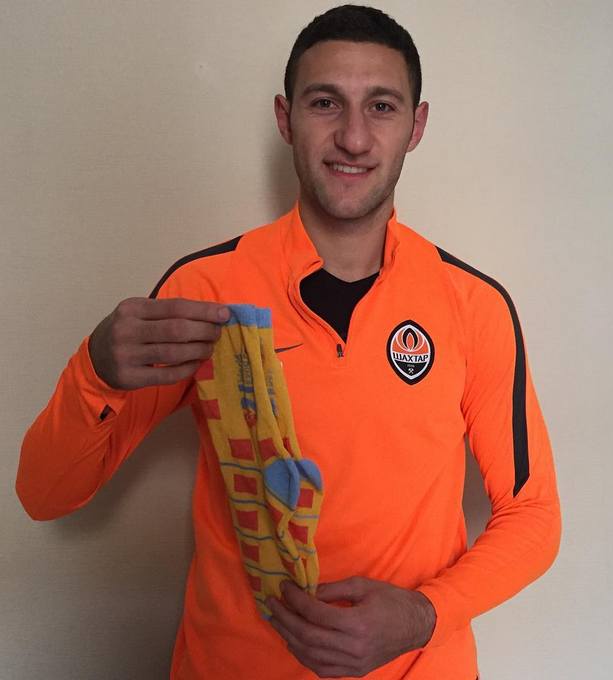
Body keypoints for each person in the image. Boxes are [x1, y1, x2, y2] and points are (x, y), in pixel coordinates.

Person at [16, 5, 561, 679]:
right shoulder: (206, 287)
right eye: (325, 103)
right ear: (286, 118)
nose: (353, 137)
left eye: (382, 106)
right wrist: (95, 372)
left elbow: (533, 515)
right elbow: (44, 494)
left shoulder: (474, 305)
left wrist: (424, 614)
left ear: (416, 126)